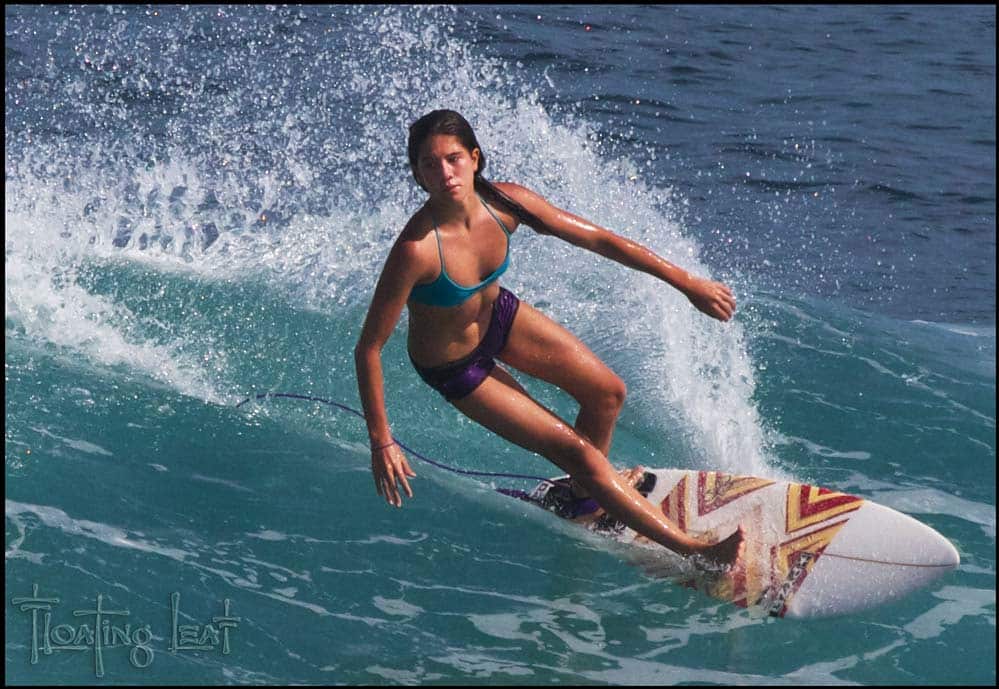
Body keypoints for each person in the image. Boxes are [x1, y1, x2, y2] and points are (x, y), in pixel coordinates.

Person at [354, 109, 743, 568]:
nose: (444, 173)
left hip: (497, 316)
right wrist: (382, 440)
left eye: (453, 158)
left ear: (475, 158)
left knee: (607, 393)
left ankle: (582, 497)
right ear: (417, 175)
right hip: (456, 366)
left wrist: (686, 283)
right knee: (578, 451)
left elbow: (599, 240)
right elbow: (369, 348)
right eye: (429, 164)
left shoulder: (506, 205)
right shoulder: (416, 250)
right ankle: (693, 550)